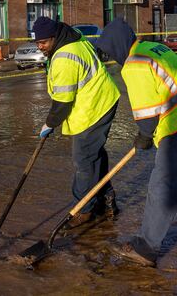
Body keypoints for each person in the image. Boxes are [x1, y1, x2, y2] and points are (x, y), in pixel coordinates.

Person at [94, 18, 177, 267]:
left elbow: (147, 116)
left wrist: (144, 137)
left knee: (163, 184)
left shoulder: (134, 65)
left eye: (111, 51)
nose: (112, 57)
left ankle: (145, 247)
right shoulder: (153, 48)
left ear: (117, 46)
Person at [32, 16, 121, 228]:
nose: (41, 47)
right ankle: (105, 201)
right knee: (94, 156)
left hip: (93, 107)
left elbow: (63, 102)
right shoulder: (74, 38)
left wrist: (50, 123)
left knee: (83, 160)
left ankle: (84, 209)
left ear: (54, 38)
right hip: (102, 99)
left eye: (43, 43)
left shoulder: (65, 58)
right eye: (37, 43)